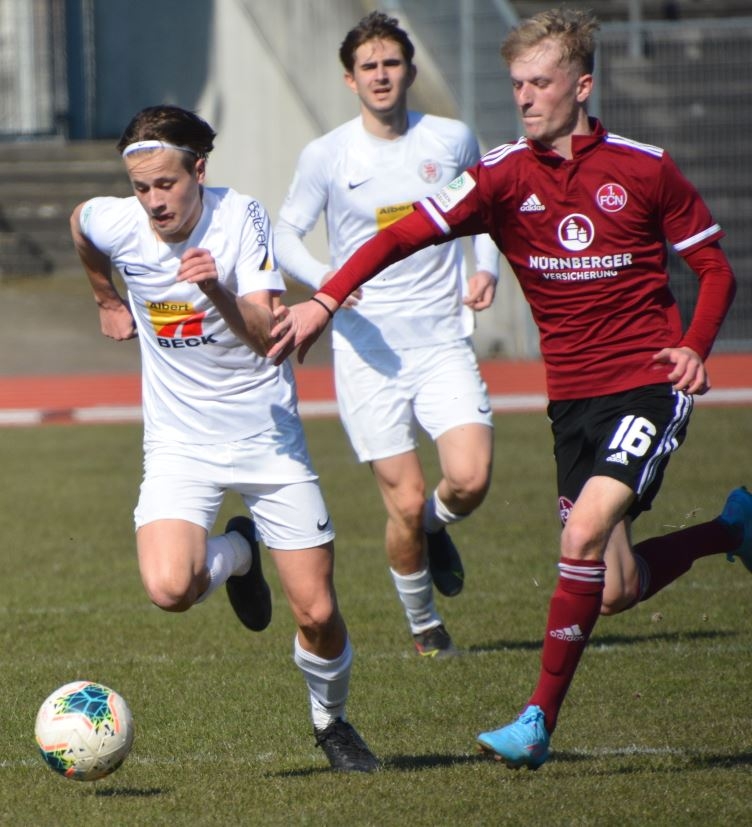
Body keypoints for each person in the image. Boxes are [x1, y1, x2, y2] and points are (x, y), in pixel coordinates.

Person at [268, 8, 750, 770]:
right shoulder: (500, 174)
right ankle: (732, 530)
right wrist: (325, 298)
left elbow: (716, 267)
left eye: (540, 83)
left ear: (582, 85)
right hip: (572, 403)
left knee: (583, 534)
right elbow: (398, 235)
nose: (524, 97)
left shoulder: (644, 168)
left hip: (648, 386)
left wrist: (693, 347)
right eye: (516, 83)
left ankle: (535, 721)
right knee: (615, 586)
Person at [69, 104, 378, 773]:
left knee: (318, 613)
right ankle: (240, 550)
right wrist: (104, 298)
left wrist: (214, 289)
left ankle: (332, 722)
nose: (153, 201)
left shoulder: (240, 219)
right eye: (142, 187)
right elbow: (82, 227)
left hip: (267, 439)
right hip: (180, 443)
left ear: (198, 170)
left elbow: (271, 342)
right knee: (168, 587)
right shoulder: (117, 220)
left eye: (166, 185)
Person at [274, 11, 500, 658]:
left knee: (470, 477)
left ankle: (436, 525)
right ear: (350, 79)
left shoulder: (451, 140)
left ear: (411, 70)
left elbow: (486, 210)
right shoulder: (327, 154)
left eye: (391, 63)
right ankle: (425, 624)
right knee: (400, 502)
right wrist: (330, 280)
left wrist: (484, 270)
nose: (381, 75)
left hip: (440, 340)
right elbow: (285, 233)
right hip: (367, 352)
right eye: (368, 66)